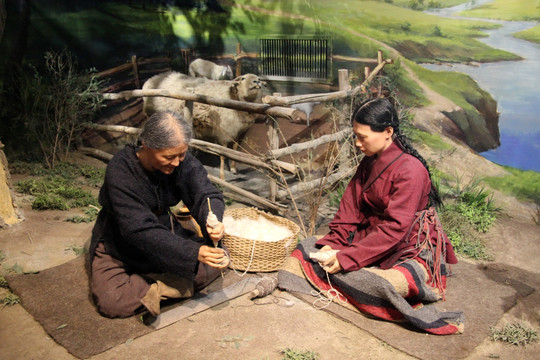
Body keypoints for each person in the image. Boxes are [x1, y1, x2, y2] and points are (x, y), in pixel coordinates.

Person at [279, 98, 463, 335]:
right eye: (356, 136)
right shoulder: (369, 162)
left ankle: (379, 286)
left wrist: (347, 258)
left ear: (388, 132)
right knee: (306, 248)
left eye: (362, 137)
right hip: (371, 240)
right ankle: (350, 275)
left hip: (408, 248)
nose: (357, 143)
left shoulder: (411, 170)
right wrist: (334, 243)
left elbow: (395, 229)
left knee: (378, 284)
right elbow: (350, 208)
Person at [89, 111, 228, 318]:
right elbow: (138, 230)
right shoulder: (120, 170)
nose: (177, 163)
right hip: (120, 243)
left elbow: (205, 193)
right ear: (146, 145)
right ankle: (164, 285)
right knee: (112, 302)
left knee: (220, 259)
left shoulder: (181, 161)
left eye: (182, 155)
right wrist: (192, 252)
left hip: (164, 234)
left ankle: (154, 286)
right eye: (169, 157)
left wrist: (212, 219)